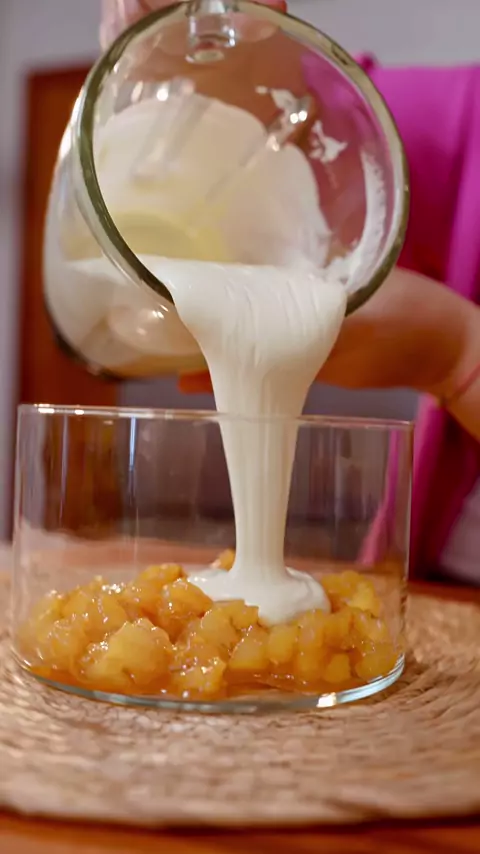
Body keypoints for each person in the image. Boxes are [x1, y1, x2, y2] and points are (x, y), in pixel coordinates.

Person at [101, 0, 480, 584]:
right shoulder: (466, 117)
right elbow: (326, 125)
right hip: (431, 586)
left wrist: (454, 353)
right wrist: (226, 52)